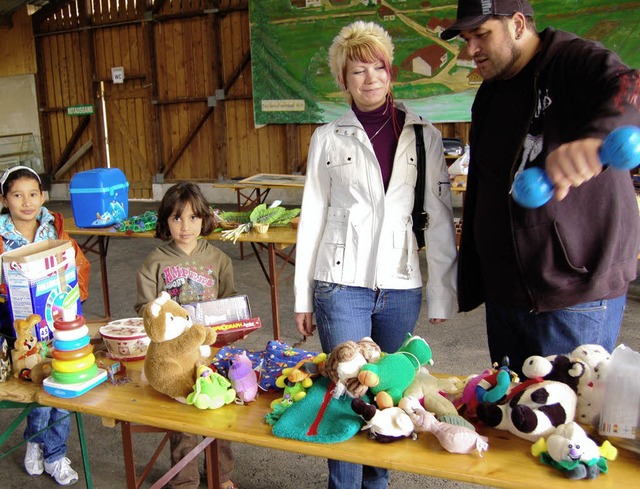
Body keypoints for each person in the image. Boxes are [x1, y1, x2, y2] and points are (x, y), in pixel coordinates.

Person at [293, 21, 457, 489]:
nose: (369, 78)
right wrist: (303, 296)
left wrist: (442, 295)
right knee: (346, 391)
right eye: (357, 70)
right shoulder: (327, 137)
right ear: (343, 81)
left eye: (377, 67)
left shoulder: (423, 136)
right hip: (339, 283)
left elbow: (439, 216)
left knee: (388, 390)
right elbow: (313, 217)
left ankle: (377, 482)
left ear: (391, 73)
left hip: (402, 284)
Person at [440, 0, 640, 375]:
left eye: (482, 35)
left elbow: (632, 87)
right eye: (466, 39)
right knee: (510, 415)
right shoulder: (491, 91)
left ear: (517, 24)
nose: (471, 51)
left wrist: (598, 140)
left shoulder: (573, 60)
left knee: (565, 422)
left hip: (573, 292)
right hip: (506, 294)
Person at [134, 182, 237, 489]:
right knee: (182, 419)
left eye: (193, 217)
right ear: (166, 221)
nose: (185, 226)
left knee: (218, 410)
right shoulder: (156, 260)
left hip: (211, 351)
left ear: (205, 219)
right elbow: (144, 307)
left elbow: (229, 305)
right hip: (174, 357)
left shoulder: (219, 260)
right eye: (177, 218)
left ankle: (222, 476)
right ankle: (184, 481)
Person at [0, 165, 90, 486]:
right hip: (20, 331)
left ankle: (54, 454)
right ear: (4, 199)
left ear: (43, 197)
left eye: (33, 194)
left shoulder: (53, 231)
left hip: (58, 321)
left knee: (62, 384)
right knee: (37, 387)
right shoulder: (0, 238)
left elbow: (77, 265)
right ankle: (35, 442)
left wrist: (72, 294)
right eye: (17, 195)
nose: (27, 202)